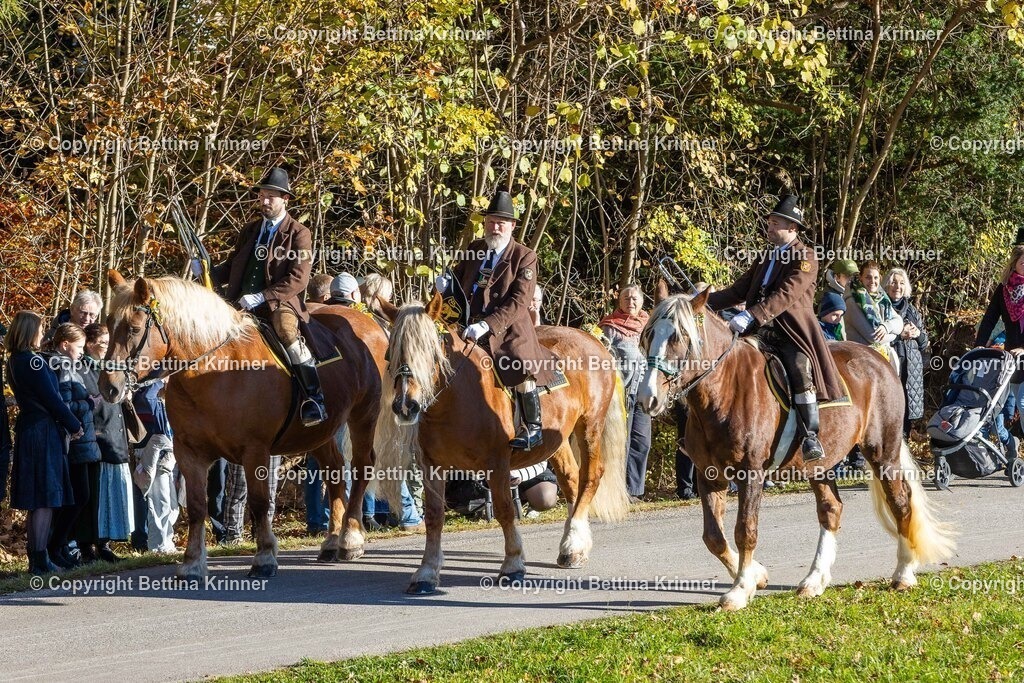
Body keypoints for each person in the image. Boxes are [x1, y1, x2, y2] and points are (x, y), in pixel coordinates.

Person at [707, 193, 845, 462]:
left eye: (775, 223)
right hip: (760, 332)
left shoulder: (806, 257)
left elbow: (786, 294)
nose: (769, 227)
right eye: (769, 222)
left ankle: (810, 436)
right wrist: (700, 302)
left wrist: (752, 315)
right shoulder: (765, 257)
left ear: (792, 228)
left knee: (798, 369)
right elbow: (738, 291)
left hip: (791, 332)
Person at [199, 166, 326, 427]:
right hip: (239, 302)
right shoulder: (250, 230)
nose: (264, 201)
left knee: (287, 332)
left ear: (285, 199)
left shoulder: (299, 233)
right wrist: (206, 269)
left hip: (280, 303)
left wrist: (262, 297)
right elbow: (232, 267)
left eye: (271, 197)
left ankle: (314, 397)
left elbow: (299, 278)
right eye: (262, 196)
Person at [436, 190, 557, 449]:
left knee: (518, 364)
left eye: (501, 222)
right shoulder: (475, 248)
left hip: (507, 328)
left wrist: (488, 324)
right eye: (491, 221)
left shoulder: (524, 256)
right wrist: (444, 286)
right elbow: (458, 280)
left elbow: (519, 301)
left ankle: (531, 427)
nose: (495, 227)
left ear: (512, 226)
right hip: (468, 326)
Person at [5, 311, 83, 574]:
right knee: (45, 497)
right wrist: (74, 424)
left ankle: (37, 558)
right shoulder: (32, 362)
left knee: (40, 498)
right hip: (42, 431)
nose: (43, 333)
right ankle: (39, 560)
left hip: (30, 428)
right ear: (29, 331)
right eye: (39, 329)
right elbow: (53, 399)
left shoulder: (15, 360)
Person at [47, 323, 102, 569]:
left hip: (81, 442)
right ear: (65, 344)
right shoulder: (61, 366)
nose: (82, 352)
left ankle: (58, 547)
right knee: (78, 497)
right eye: (79, 347)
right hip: (74, 442)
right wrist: (89, 403)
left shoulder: (71, 366)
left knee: (78, 498)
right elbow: (64, 407)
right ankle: (55, 547)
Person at [78, 323, 133, 562]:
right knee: (93, 495)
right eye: (103, 343)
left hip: (115, 437)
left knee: (110, 494)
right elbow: (84, 401)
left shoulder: (109, 367)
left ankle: (105, 543)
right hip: (96, 438)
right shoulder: (80, 368)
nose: (107, 348)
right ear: (90, 344)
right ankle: (87, 545)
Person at [599, 285, 651, 499]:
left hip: (644, 392)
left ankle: (636, 491)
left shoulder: (650, 326)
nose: (631, 302)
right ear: (619, 302)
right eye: (626, 298)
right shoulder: (609, 327)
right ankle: (618, 492)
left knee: (642, 441)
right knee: (622, 441)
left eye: (635, 299)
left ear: (642, 302)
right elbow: (601, 358)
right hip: (621, 393)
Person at [132, 378, 179, 553]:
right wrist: (159, 380)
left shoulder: (165, 403)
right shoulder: (148, 399)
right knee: (159, 501)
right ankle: (158, 546)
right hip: (153, 455)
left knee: (171, 504)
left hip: (168, 456)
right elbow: (148, 397)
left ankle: (167, 542)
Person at [976, 244, 1024, 413]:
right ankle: (1007, 440)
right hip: (1013, 356)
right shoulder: (1004, 290)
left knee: (1023, 403)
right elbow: (989, 319)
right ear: (1014, 265)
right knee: (999, 406)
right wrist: (979, 346)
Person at [885, 268, 929, 437]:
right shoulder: (882, 307)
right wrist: (899, 336)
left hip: (911, 370)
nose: (898, 286)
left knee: (906, 412)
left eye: (902, 283)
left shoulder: (912, 310)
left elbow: (924, 342)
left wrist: (918, 334)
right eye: (894, 282)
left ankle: (904, 447)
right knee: (889, 409)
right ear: (887, 285)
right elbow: (875, 337)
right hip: (890, 364)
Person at [844, 261, 903, 373]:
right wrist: (895, 335)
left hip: (881, 359)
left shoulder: (882, 299)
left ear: (880, 278)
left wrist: (886, 326)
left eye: (875, 277)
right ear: (861, 278)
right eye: (868, 277)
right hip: (861, 362)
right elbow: (873, 337)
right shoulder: (852, 301)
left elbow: (899, 322)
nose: (872, 281)